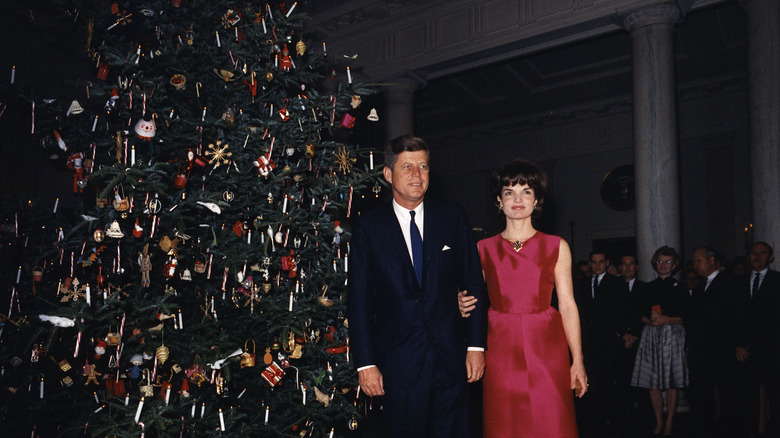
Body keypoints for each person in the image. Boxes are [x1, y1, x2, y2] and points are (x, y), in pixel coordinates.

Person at [347, 134, 488, 438]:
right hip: (399, 365)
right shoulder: (369, 227)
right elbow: (358, 300)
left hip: (451, 360)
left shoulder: (452, 216)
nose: (417, 175)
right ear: (388, 174)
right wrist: (365, 364)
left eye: (423, 166)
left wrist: (476, 346)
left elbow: (474, 282)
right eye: (407, 167)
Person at [458, 158, 586, 437]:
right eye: (509, 192)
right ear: (498, 201)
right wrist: (460, 302)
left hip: (548, 347)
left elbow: (567, 304)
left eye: (526, 191)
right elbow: (471, 303)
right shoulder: (482, 249)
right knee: (505, 423)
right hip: (499, 347)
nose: (518, 199)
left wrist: (577, 360)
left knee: (552, 421)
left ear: (537, 200)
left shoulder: (556, 246)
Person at [630, 246, 689, 436]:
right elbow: (640, 314)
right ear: (655, 263)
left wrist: (668, 320)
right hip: (652, 336)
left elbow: (687, 316)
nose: (663, 265)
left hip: (673, 336)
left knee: (672, 381)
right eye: (660, 261)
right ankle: (658, 421)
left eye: (668, 261)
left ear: (675, 265)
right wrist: (651, 321)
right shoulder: (648, 287)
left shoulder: (680, 288)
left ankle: (670, 422)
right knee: (652, 382)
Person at [687, 247, 738, 438]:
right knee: (700, 394)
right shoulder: (701, 287)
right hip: (702, 353)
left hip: (721, 350)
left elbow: (732, 318)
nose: (695, 266)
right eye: (694, 262)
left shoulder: (728, 283)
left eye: (699, 261)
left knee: (727, 393)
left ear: (712, 260)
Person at [576, 249, 629, 432]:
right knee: (593, 379)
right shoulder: (583, 284)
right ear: (590, 264)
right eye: (594, 262)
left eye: (601, 261)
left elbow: (623, 310)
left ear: (607, 263)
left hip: (608, 341)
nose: (597, 265)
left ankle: (611, 419)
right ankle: (595, 417)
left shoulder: (616, 282)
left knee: (610, 379)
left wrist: (618, 333)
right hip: (589, 341)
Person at [732, 242, 780, 436]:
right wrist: (739, 343)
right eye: (754, 253)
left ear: (771, 257)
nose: (757, 257)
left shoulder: (777, 281)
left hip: (773, 348)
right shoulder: (738, 282)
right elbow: (734, 317)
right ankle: (752, 430)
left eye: (762, 253)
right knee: (748, 393)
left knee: (775, 393)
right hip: (747, 349)